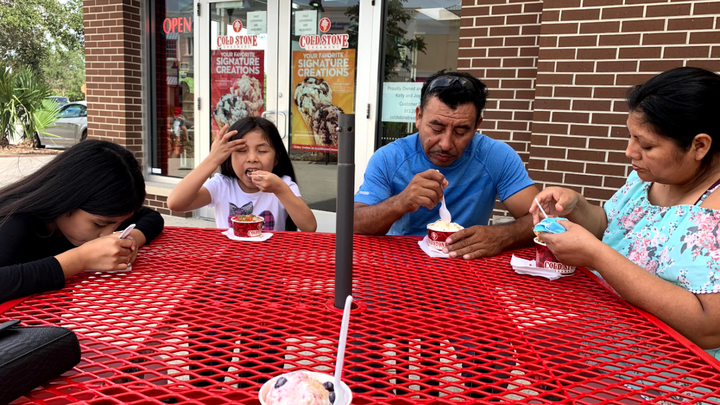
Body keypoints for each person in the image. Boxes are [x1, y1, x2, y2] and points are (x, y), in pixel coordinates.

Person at [530, 67, 720, 360]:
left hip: (664, 373)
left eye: (647, 145)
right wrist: (577, 206)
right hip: (602, 342)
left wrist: (596, 256)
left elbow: (708, 328)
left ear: (699, 145)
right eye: (631, 137)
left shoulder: (713, 214)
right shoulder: (648, 179)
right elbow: (613, 227)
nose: (630, 152)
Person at [354, 70, 539, 259]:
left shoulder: (497, 157)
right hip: (401, 264)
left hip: (467, 266)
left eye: (460, 132)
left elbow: (543, 220)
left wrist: (501, 236)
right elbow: (353, 223)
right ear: (418, 116)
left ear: (477, 126)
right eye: (436, 128)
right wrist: (400, 203)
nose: (446, 144)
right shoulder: (390, 158)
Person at [0, 140, 165, 304]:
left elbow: (151, 217)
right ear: (65, 199)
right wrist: (81, 259)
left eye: (118, 224)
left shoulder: (94, 215)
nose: (107, 234)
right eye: (99, 224)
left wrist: (130, 241)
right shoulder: (15, 222)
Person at [167, 116, 317, 232]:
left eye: (262, 151)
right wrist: (212, 160)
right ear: (229, 157)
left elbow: (309, 227)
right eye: (242, 151)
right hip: (230, 261)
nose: (252, 158)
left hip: (271, 262)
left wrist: (280, 189)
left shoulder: (282, 184)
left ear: (277, 158)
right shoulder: (222, 186)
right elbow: (175, 203)